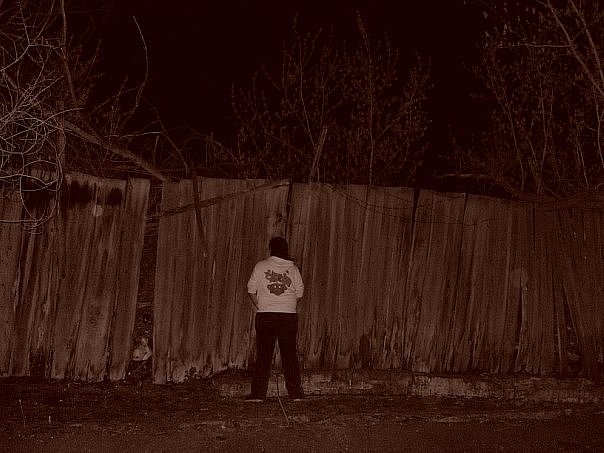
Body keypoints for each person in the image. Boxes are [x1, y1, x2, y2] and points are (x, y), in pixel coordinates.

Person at [245, 236, 305, 402]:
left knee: (264, 354)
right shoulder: (293, 269)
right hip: (288, 315)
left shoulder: (261, 266)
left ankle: (258, 394)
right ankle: (296, 394)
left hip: (266, 314)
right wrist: (287, 304)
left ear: (271, 249)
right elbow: (300, 293)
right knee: (289, 354)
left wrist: (261, 305)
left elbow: (251, 290)